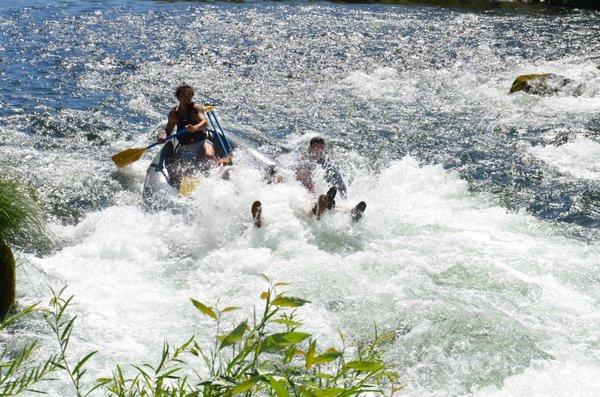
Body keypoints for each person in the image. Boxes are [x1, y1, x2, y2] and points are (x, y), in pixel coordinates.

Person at [158, 84, 218, 188]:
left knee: (208, 156)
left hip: (202, 143)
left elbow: (204, 123)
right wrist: (163, 136)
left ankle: (213, 179)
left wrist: (194, 128)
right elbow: (168, 130)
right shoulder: (173, 114)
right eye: (184, 95)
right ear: (178, 97)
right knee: (181, 170)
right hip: (184, 147)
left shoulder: (196, 108)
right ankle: (181, 186)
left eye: (190, 95)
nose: (187, 97)